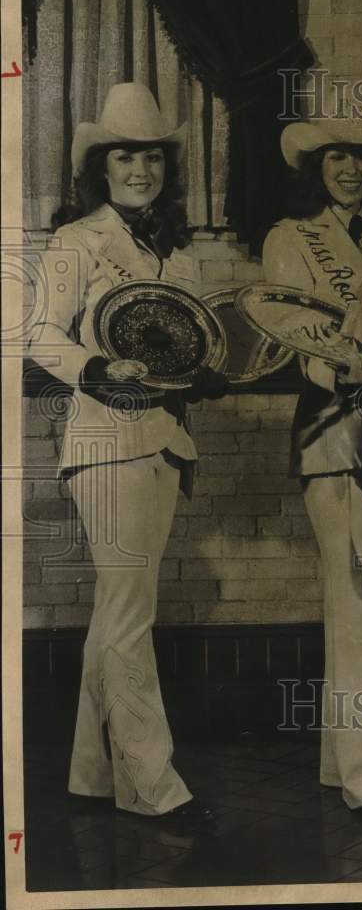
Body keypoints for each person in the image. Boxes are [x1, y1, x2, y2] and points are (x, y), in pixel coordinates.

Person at [27, 82, 228, 820]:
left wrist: (203, 376)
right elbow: (37, 333)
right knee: (129, 617)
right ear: (100, 166)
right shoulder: (76, 241)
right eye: (125, 155)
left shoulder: (172, 253)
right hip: (107, 444)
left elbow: (186, 344)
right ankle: (152, 786)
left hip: (163, 442)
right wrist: (96, 368)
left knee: (117, 612)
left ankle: (91, 773)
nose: (140, 168)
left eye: (151, 155)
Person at [261, 118, 362, 817]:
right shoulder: (290, 239)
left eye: (361, 156)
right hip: (332, 436)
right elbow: (293, 332)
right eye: (337, 157)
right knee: (353, 596)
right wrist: (350, 357)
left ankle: (358, 757)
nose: (350, 169)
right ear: (316, 168)